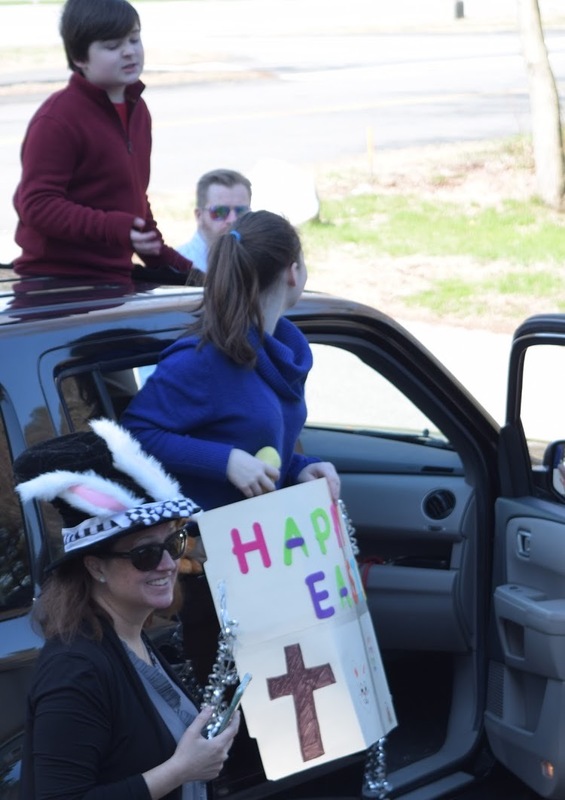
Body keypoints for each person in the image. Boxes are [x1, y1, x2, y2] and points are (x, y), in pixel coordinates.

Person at [121, 210, 340, 683]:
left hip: (268, 561)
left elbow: (259, 440)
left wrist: (301, 466)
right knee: (239, 735)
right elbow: (135, 433)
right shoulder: (204, 359)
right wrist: (224, 462)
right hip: (213, 578)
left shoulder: (282, 348)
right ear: (293, 271)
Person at [13, 417, 239, 800]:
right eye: (145, 554)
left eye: (173, 544)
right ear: (95, 566)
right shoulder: (75, 669)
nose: (168, 564)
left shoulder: (128, 635)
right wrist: (179, 771)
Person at [12, 0, 203, 287]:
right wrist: (117, 228)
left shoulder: (138, 111)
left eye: (134, 39)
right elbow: (37, 206)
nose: (129, 51)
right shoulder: (58, 119)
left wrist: (191, 274)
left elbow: (133, 201)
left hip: (114, 281)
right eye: (112, 46)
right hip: (58, 285)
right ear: (80, 58)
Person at [176, 169, 252, 272]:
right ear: (199, 216)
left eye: (241, 211)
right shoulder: (176, 265)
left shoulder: (259, 263)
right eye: (220, 211)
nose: (232, 219)